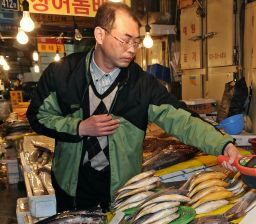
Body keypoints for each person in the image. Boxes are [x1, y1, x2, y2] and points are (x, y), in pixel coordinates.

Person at [27, 3, 240, 212]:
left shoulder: (142, 85)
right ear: (100, 35)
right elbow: (38, 116)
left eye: (136, 42)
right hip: (71, 186)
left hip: (123, 191)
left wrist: (223, 145)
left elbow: (182, 120)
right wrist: (79, 127)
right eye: (125, 40)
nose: (131, 49)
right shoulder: (62, 74)